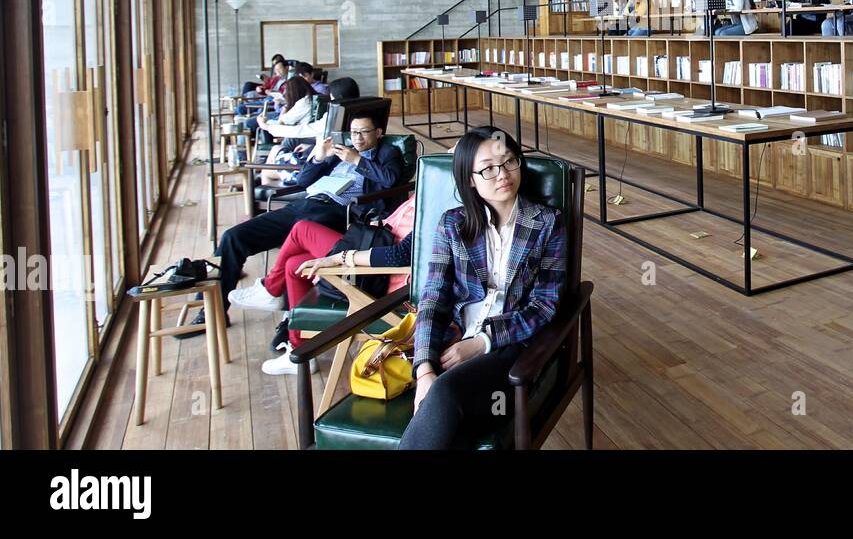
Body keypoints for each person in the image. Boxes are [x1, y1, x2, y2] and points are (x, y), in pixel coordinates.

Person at [400, 127, 566, 450]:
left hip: (514, 351)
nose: (502, 174)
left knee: (446, 394)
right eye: (488, 168)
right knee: (449, 419)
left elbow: (544, 305)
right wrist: (423, 372)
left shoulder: (547, 223)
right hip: (454, 341)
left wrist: (482, 343)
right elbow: (433, 299)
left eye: (509, 162)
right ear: (470, 180)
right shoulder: (452, 225)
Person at [183, 113, 404, 331]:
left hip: (335, 210)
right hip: (304, 204)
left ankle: (274, 298)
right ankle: (213, 311)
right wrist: (319, 157)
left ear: (378, 133)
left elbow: (391, 179)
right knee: (233, 237)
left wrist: (356, 160)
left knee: (295, 256)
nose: (358, 138)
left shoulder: (387, 152)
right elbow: (303, 180)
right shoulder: (340, 151)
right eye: (354, 132)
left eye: (364, 132)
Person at [230, 191, 417, 373]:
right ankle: (298, 351)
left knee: (302, 229)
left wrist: (342, 257)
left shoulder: (435, 200)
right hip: (374, 249)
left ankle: (271, 289)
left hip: (381, 276)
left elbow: (399, 256)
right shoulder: (426, 191)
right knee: (295, 265)